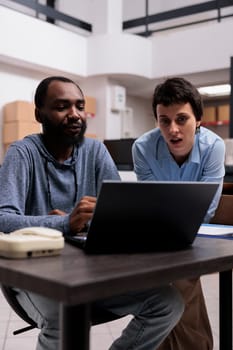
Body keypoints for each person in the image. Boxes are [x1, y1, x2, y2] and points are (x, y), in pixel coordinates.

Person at [0, 76, 184, 350]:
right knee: (63, 319)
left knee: (168, 303)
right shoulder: (22, 153)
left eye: (79, 106)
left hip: (88, 270)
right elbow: (3, 218)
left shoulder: (95, 151)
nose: (74, 114)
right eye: (62, 106)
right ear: (39, 114)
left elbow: (119, 211)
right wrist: (65, 222)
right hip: (34, 273)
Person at [132, 76, 225, 350]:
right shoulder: (143, 148)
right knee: (168, 281)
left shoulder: (213, 147)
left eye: (181, 119)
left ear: (198, 120)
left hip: (197, 234)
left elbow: (206, 209)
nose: (173, 129)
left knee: (177, 280)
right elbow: (151, 205)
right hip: (158, 236)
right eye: (164, 120)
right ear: (157, 121)